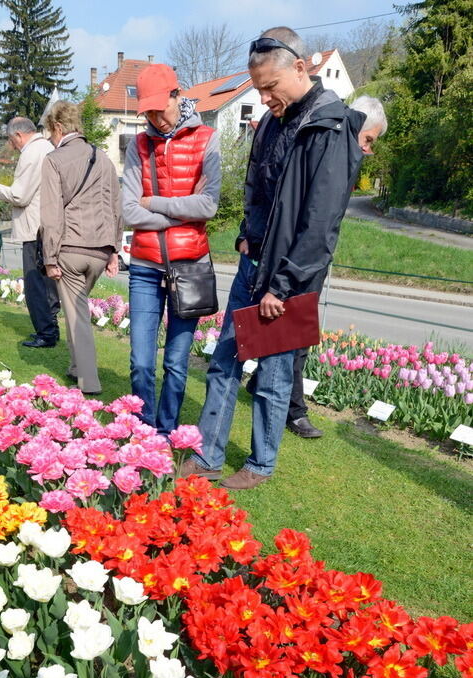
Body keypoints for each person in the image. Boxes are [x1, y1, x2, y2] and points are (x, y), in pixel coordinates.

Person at [181, 27, 366, 489]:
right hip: (252, 263)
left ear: (301, 68)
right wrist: (246, 234)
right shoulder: (270, 122)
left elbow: (321, 224)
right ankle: (207, 456)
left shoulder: (332, 127)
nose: (264, 98)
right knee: (224, 362)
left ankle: (260, 466)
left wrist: (282, 286)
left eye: (270, 86)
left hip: (288, 281)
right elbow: (256, 187)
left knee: (274, 374)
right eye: (259, 88)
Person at [258, 95, 389, 439]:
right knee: (295, 334)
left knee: (287, 331)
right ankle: (294, 411)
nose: (368, 149)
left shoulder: (336, 142)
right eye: (370, 139)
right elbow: (319, 220)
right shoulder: (336, 144)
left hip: (304, 256)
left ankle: (269, 387)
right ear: (361, 124)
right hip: (302, 257)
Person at [122, 63, 221, 435]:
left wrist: (154, 203)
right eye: (145, 110)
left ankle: (165, 431)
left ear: (177, 96)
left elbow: (208, 205)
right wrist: (180, 211)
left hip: (190, 266)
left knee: (177, 363)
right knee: (141, 362)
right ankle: (142, 432)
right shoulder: (138, 143)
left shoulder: (207, 139)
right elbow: (127, 209)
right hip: (146, 265)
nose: (152, 118)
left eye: (157, 108)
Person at [40, 101, 122, 395]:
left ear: (59, 127)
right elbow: (116, 207)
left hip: (71, 249)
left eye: (50, 131)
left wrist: (49, 257)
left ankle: (89, 381)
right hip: (100, 250)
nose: (50, 137)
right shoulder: (104, 159)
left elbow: (50, 214)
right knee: (76, 308)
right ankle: (76, 367)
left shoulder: (53, 160)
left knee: (77, 313)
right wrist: (114, 251)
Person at [0, 117, 59, 348]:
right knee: (48, 284)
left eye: (11, 140)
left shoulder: (31, 152)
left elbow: (20, 195)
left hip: (33, 228)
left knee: (34, 283)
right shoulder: (48, 147)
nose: (13, 146)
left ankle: (46, 333)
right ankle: (50, 328)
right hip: (48, 225)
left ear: (18, 135)